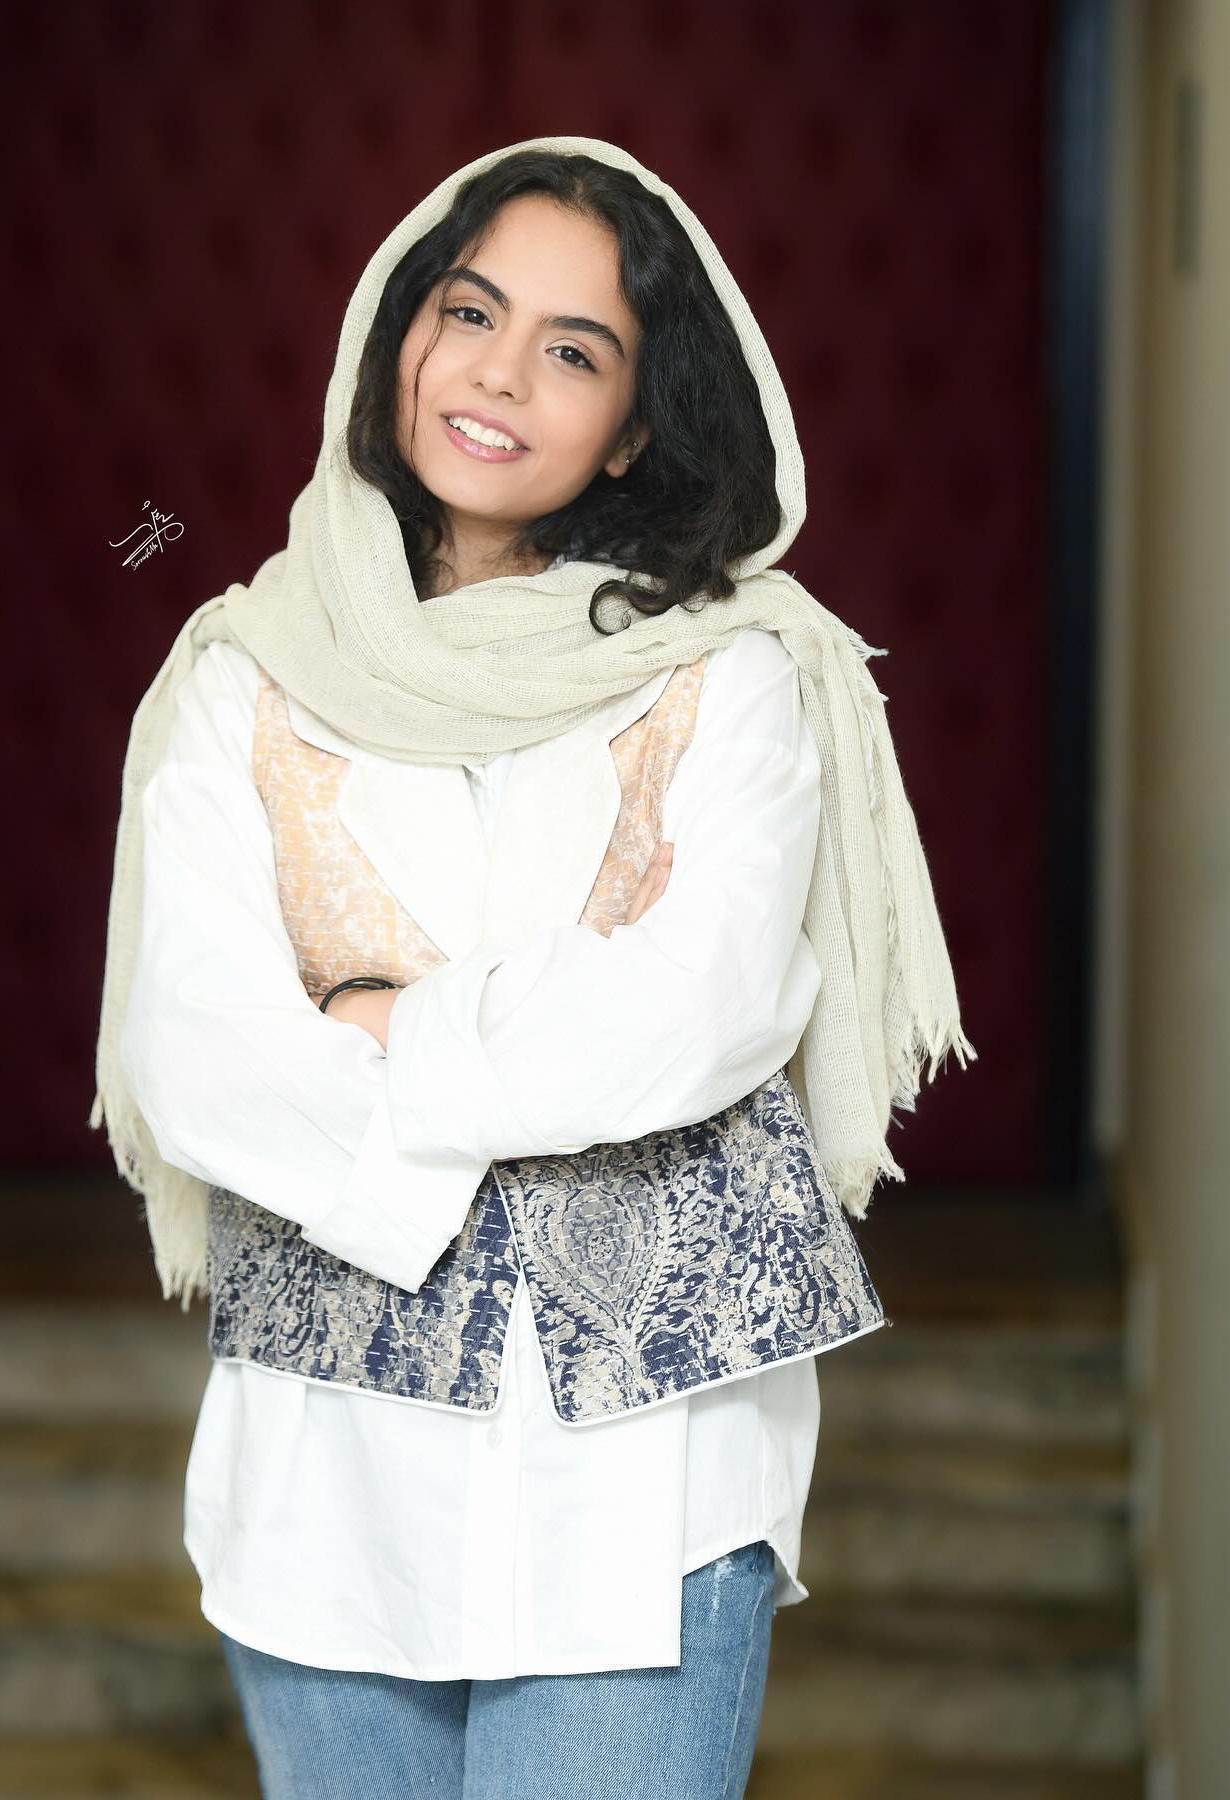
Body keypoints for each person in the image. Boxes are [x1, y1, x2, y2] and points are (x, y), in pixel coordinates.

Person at [89, 135, 974, 1799]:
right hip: (326, 1483)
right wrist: (537, 1064)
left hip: (648, 1491)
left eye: (573, 350)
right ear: (400, 331)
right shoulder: (243, 674)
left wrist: (379, 1027)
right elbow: (194, 1058)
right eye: (470, 311)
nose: (497, 375)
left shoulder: (732, 672)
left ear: (635, 423)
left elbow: (708, 1009)